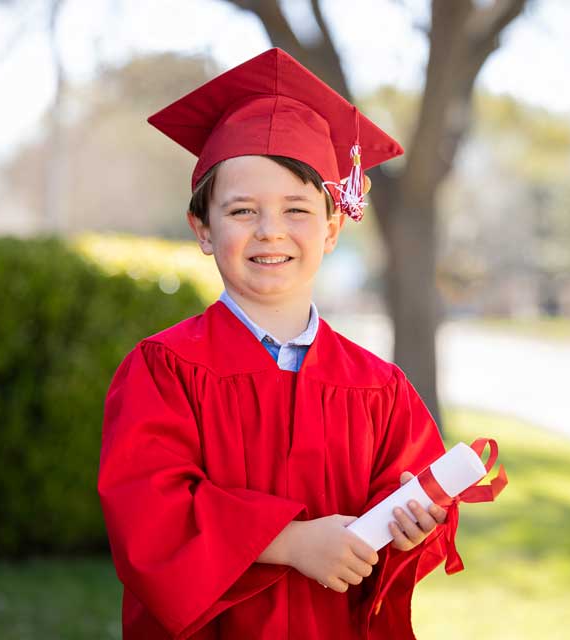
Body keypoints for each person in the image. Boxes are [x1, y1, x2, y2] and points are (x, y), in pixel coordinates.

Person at [98, 48, 454, 640]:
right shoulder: (163, 370)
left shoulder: (378, 388)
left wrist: (419, 527)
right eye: (242, 210)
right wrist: (287, 542)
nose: (271, 231)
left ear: (333, 227)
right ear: (204, 229)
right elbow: (147, 514)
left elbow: (412, 502)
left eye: (296, 209)